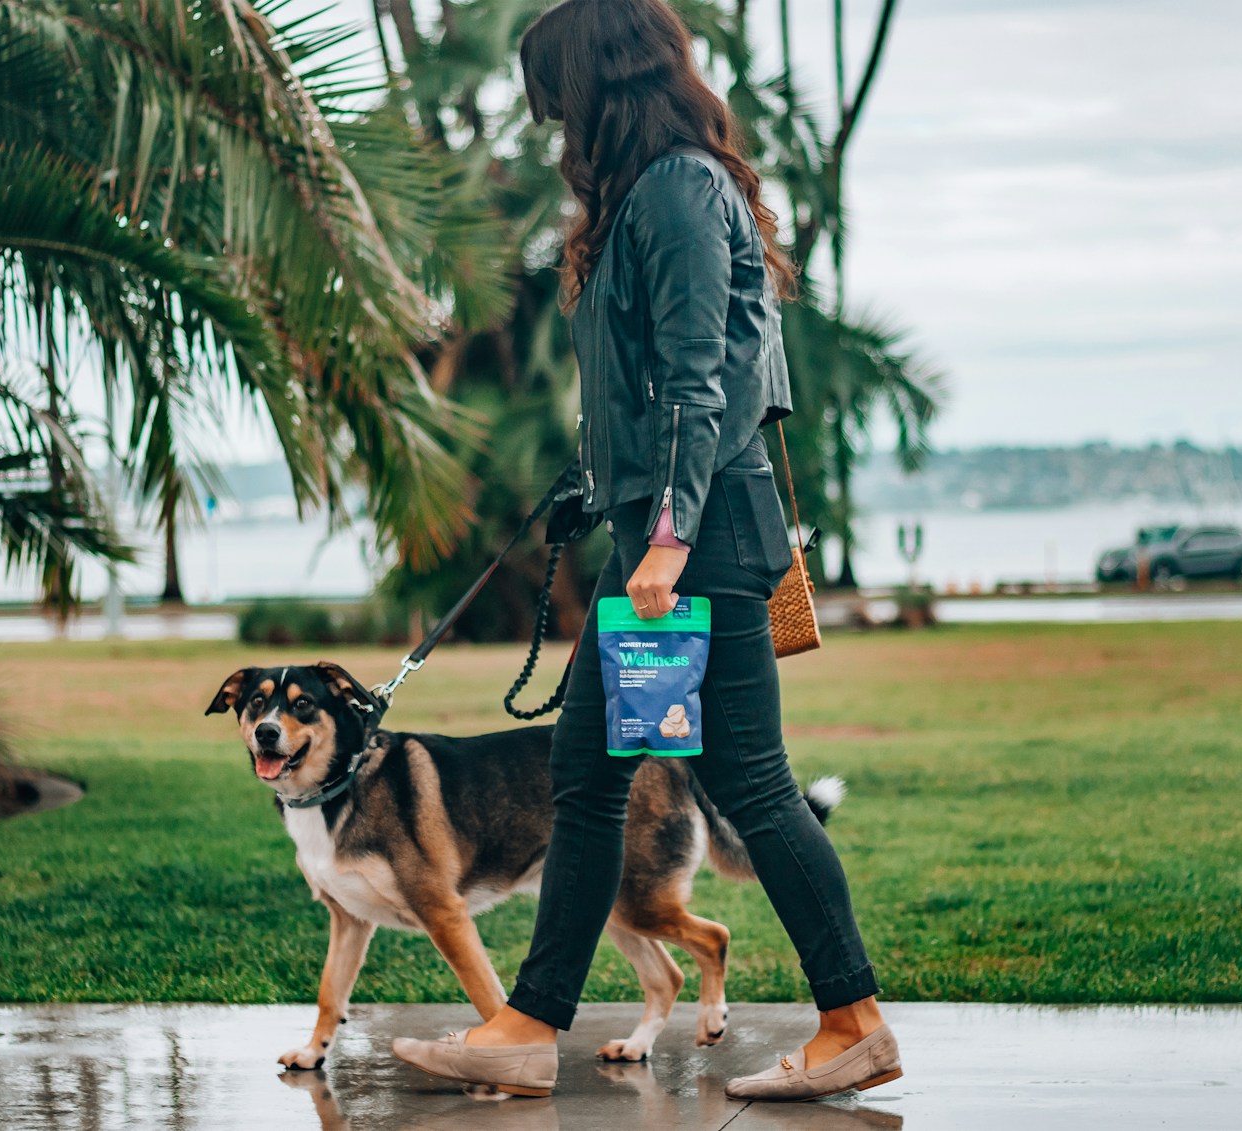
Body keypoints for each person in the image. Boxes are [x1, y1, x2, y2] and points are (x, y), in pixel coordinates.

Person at [391, 0, 900, 1103]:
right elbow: (655, 387)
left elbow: (692, 379)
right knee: (602, 777)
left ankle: (848, 1020)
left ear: (598, 86)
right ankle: (534, 1026)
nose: (555, 129)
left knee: (730, 784)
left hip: (698, 543)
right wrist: (600, 488)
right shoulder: (652, 196)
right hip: (684, 529)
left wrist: (660, 534)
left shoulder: (673, 188)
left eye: (557, 102)